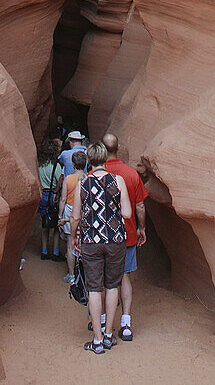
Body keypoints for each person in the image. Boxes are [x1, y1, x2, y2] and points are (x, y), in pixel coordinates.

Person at [70, 142, 131, 354]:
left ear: (89, 159)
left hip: (91, 241)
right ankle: (108, 335)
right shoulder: (118, 180)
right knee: (112, 285)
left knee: (94, 287)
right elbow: (127, 213)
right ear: (105, 158)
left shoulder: (83, 183)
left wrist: (73, 237)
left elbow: (75, 216)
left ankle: (96, 340)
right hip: (115, 241)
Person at [103, 132, 148, 341]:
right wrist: (141, 229)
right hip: (127, 235)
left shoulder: (97, 173)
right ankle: (126, 323)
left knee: (104, 277)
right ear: (118, 148)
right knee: (124, 276)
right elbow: (140, 205)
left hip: (102, 236)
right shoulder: (130, 174)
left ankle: (104, 320)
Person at [59, 149, 86, 282]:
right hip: (84, 211)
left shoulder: (68, 179)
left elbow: (63, 199)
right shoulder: (88, 178)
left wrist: (60, 216)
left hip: (70, 210)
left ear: (74, 165)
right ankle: (84, 274)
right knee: (84, 243)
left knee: (71, 244)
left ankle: (72, 275)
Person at [37, 139, 62, 261]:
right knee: (56, 225)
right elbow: (59, 180)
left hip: (43, 195)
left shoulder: (40, 165)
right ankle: (56, 252)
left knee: (45, 223)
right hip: (53, 195)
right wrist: (56, 192)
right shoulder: (56, 165)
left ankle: (44, 251)